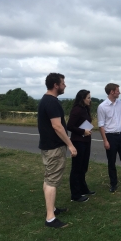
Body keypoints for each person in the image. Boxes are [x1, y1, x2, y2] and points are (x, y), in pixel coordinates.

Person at [38, 72, 77, 229]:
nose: (65, 85)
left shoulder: (45, 100)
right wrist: (70, 144)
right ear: (56, 85)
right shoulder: (52, 102)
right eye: (63, 82)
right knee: (52, 181)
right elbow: (57, 126)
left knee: (49, 178)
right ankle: (50, 218)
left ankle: (52, 209)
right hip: (54, 148)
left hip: (48, 147)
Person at [67, 89, 94, 202]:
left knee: (83, 167)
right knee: (77, 169)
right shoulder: (77, 110)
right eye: (88, 97)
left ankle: (83, 188)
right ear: (82, 99)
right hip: (78, 142)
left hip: (86, 141)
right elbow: (70, 126)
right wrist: (83, 132)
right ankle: (75, 195)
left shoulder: (85, 109)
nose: (90, 99)